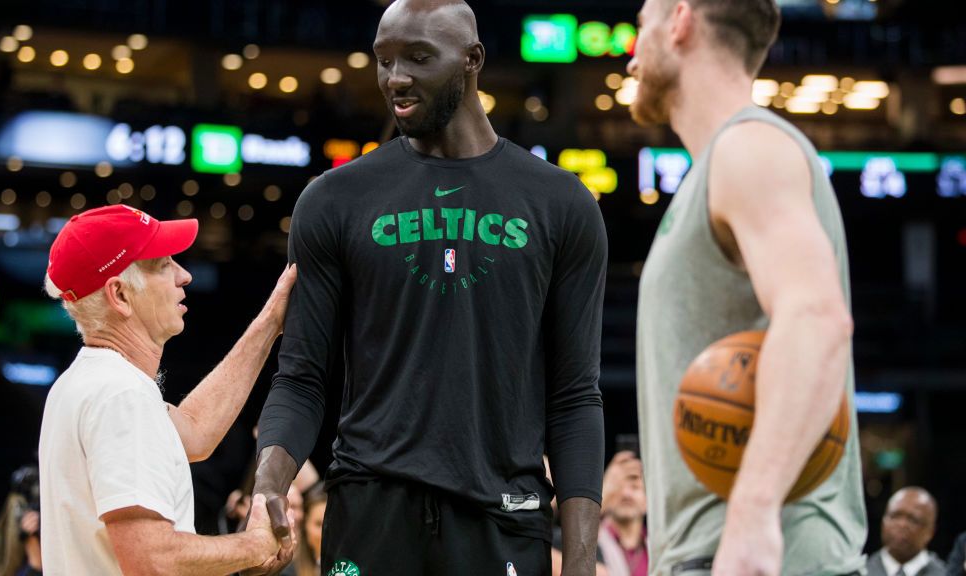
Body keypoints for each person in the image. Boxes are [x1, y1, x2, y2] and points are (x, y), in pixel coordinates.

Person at [251, 0, 608, 574]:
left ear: (473, 60)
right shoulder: (333, 200)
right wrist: (269, 479)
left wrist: (583, 559)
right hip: (370, 511)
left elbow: (574, 398)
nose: (396, 78)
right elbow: (301, 377)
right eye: (384, 59)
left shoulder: (561, 204)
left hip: (503, 516)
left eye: (418, 58)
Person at [628, 0, 867, 574]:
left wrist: (754, 512)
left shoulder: (749, 148)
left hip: (761, 554)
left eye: (640, 29)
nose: (632, 56)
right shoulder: (719, 165)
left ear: (680, 20)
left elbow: (817, 317)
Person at [37, 204, 297, 575]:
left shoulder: (83, 384)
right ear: (120, 295)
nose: (185, 275)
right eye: (163, 265)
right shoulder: (120, 396)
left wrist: (270, 321)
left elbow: (194, 432)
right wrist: (254, 545)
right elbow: (151, 560)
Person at [866, 487, 945, 576]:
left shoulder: (947, 573)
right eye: (894, 516)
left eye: (913, 520)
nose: (902, 525)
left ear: (930, 532)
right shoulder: (859, 571)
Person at [598, 452, 648, 576]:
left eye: (635, 487)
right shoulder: (590, 538)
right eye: (618, 487)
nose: (626, 494)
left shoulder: (659, 546)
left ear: (648, 500)